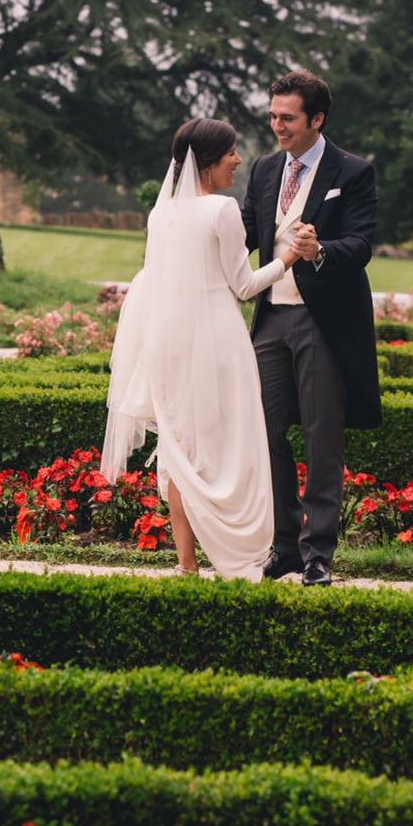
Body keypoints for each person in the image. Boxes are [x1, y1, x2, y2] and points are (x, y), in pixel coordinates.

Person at [102, 118, 300, 581]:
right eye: (231, 151)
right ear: (209, 162)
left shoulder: (160, 214)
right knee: (228, 445)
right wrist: (287, 259)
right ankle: (237, 549)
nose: (238, 159)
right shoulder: (221, 210)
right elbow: (244, 285)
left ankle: (186, 563)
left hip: (169, 343)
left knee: (179, 448)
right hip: (218, 342)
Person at [241, 71, 381, 586]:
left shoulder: (353, 171)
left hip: (324, 323)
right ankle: (285, 547)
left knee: (323, 437)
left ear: (316, 119)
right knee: (265, 432)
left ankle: (318, 552)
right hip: (271, 317)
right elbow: (245, 229)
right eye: (273, 116)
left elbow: (362, 245)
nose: (277, 126)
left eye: (287, 118)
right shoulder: (262, 169)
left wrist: (320, 250)